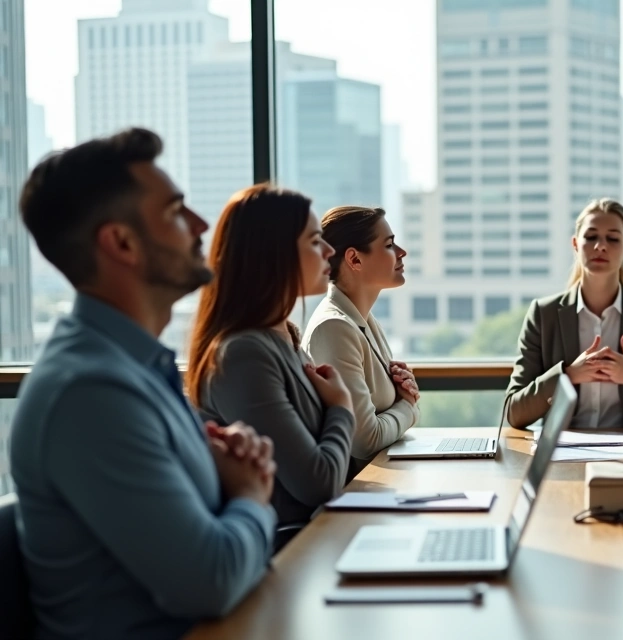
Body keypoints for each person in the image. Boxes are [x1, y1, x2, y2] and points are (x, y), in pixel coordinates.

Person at [10, 128, 276, 639]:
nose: (201, 224)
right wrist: (249, 494)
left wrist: (227, 477)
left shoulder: (133, 369)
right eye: (177, 212)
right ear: (122, 243)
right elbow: (211, 580)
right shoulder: (90, 393)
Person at [186, 185, 355, 527]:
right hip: (287, 555)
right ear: (272, 254)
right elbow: (318, 484)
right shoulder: (243, 355)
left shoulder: (288, 337)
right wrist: (341, 407)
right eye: (313, 241)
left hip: (319, 540)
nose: (329, 250)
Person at [506, 198, 623, 429]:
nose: (600, 246)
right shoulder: (543, 314)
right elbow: (514, 412)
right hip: (562, 454)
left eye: (613, 238)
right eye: (591, 237)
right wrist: (567, 376)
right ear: (576, 244)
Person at [304, 206, 420, 473]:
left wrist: (402, 401)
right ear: (355, 260)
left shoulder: (364, 320)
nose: (402, 252)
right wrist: (409, 407)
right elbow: (366, 441)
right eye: (389, 245)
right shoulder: (334, 327)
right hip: (358, 494)